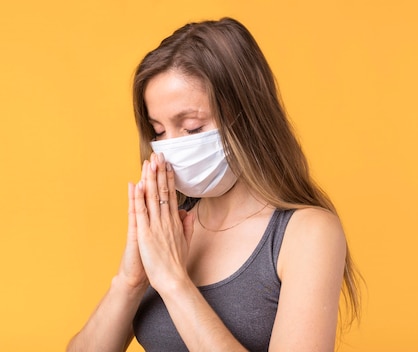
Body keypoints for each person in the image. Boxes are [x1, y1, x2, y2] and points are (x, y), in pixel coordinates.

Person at [67, 17, 361, 352]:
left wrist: (175, 283)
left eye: (191, 128)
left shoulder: (306, 233)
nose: (171, 146)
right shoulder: (170, 226)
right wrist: (130, 281)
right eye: (159, 132)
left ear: (246, 118)